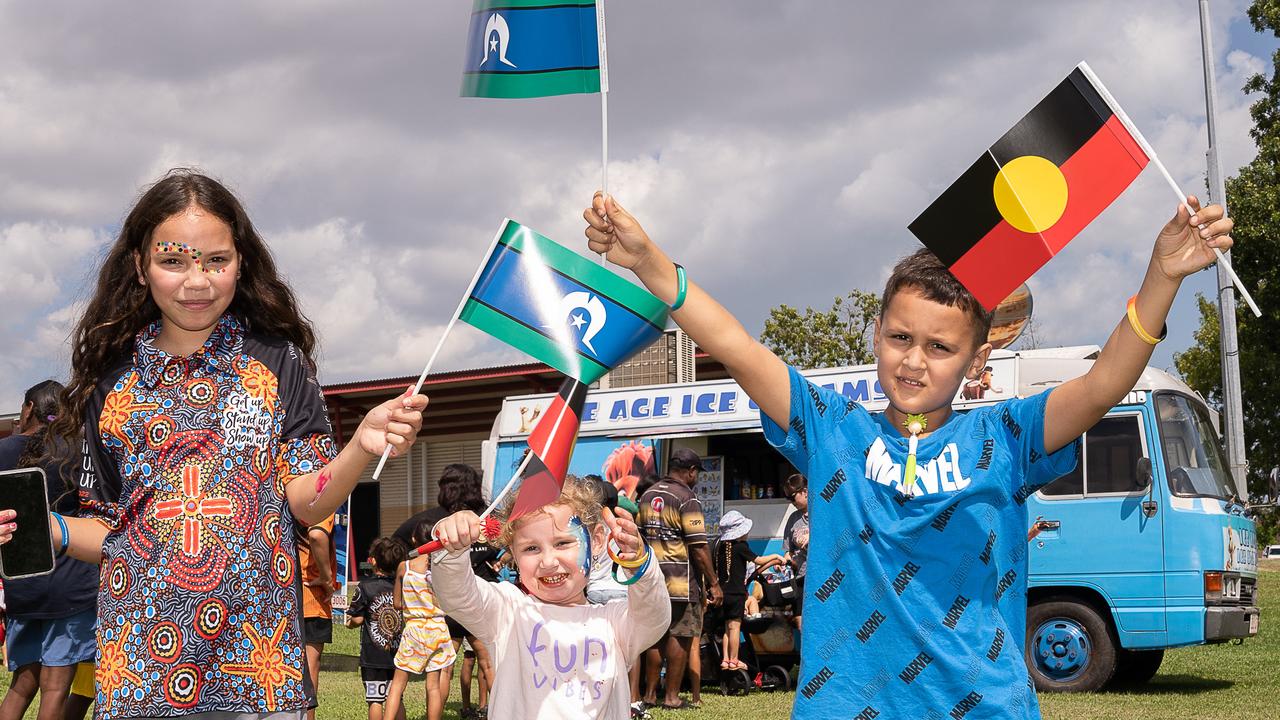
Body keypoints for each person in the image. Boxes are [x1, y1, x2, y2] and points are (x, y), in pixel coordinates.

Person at [583, 191, 1232, 718]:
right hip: (844, 705)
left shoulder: (1006, 436)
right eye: (899, 336)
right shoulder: (833, 428)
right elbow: (739, 347)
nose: (914, 359)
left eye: (940, 347)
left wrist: (1161, 277)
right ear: (877, 333)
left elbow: (1103, 385)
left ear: (976, 359)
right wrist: (649, 262)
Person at [0, 170, 428, 720]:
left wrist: (360, 449)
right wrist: (49, 529)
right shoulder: (110, 380)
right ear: (140, 265)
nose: (196, 282)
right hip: (139, 672)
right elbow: (111, 527)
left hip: (258, 667)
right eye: (173, 261)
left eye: (216, 261)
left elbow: (308, 501)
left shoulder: (278, 362)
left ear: (241, 261)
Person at [430, 474, 671, 719]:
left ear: (597, 540)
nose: (548, 562)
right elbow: (457, 595)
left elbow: (654, 617)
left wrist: (642, 568)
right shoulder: (509, 613)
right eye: (531, 548)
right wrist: (452, 547)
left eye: (563, 543)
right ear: (512, 551)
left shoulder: (614, 623)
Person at [0, 381, 98, 720]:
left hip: (22, 583)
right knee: (56, 688)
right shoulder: (78, 450)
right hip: (70, 586)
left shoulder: (6, 451)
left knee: (21, 684)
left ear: (28, 408)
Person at [393, 464, 496, 719]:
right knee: (486, 660)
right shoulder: (485, 517)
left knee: (444, 670)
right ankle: (496, 709)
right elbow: (502, 539)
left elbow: (397, 538)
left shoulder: (430, 519)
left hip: (446, 604)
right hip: (478, 599)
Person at [634, 448, 722, 711]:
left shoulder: (647, 495)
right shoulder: (687, 498)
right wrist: (714, 582)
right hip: (680, 581)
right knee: (681, 635)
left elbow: (639, 538)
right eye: (697, 473)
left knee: (655, 637)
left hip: (651, 579)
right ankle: (671, 697)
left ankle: (650, 694)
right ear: (691, 471)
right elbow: (698, 545)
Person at [383, 524, 456, 720]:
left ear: (414, 540)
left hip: (415, 628)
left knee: (397, 685)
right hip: (438, 628)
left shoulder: (404, 567)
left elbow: (397, 603)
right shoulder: (441, 568)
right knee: (433, 686)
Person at [712, 510, 782, 671]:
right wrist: (775, 556)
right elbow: (758, 560)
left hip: (723, 595)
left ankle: (726, 660)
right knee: (735, 628)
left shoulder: (722, 548)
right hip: (737, 595)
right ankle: (735, 660)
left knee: (727, 628)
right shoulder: (741, 547)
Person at [346, 537, 408, 720]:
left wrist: (348, 623)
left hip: (372, 656)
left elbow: (357, 619)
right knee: (396, 697)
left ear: (373, 561)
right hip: (397, 654)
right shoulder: (402, 586)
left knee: (375, 700)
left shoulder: (365, 586)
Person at [298, 513, 340, 720]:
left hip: (280, 595)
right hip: (311, 599)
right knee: (309, 670)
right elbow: (317, 535)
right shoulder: (319, 498)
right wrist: (326, 576)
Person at [780, 473, 809, 630]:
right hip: (799, 578)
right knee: (800, 622)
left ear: (805, 491)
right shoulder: (793, 518)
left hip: (821, 578)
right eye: (788, 499)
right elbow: (788, 551)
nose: (791, 502)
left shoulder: (821, 514)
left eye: (792, 497)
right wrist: (784, 563)